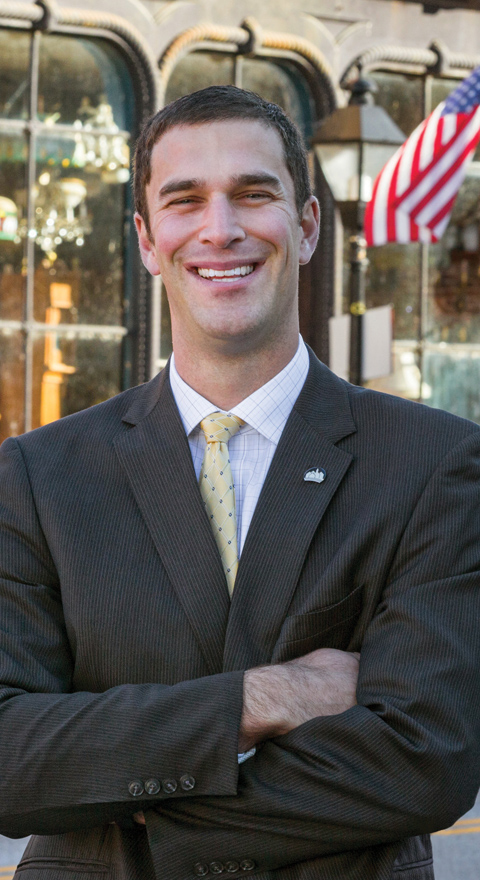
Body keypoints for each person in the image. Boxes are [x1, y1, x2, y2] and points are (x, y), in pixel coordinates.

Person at [0, 85, 479, 880]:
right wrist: (267, 698)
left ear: (308, 224)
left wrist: (129, 803)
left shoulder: (436, 465)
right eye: (185, 201)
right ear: (149, 240)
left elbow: (425, 763)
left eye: (253, 194)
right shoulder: (37, 475)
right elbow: (7, 760)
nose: (220, 230)